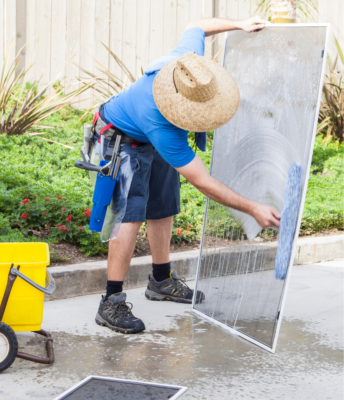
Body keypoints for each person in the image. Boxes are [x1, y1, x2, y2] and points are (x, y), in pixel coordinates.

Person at [93, 16, 280, 334]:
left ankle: (161, 281)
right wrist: (253, 208)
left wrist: (240, 24)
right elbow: (203, 180)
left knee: (164, 203)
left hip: (148, 134)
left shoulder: (186, 67)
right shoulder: (163, 125)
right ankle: (110, 301)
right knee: (129, 214)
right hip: (121, 138)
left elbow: (198, 26)